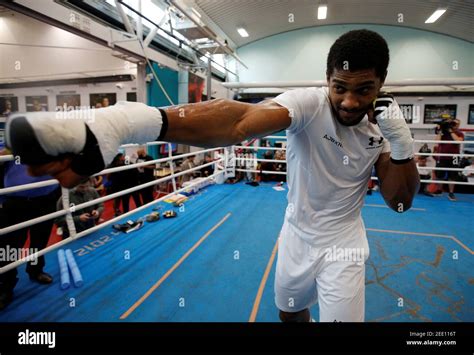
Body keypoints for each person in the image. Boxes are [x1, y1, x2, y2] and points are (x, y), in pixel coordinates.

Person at [5, 29, 419, 322]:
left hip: (344, 243)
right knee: (289, 312)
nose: (348, 101)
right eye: (338, 87)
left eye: (362, 90)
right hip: (296, 233)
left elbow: (399, 203)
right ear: (326, 80)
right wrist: (125, 124)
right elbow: (238, 120)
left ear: (381, 84)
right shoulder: (309, 104)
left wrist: (401, 146)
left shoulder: (386, 128)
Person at [0, 162, 60, 310]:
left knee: (40, 239)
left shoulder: (50, 141)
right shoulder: (11, 141)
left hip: (46, 200)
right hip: (15, 201)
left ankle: (35, 270)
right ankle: (6, 286)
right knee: (9, 245)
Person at [433, 119, 464, 201]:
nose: (455, 125)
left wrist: (451, 131)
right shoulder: (443, 133)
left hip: (454, 157)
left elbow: (458, 141)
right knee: (440, 174)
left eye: (456, 124)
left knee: (453, 175)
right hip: (442, 156)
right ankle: (439, 190)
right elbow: (437, 142)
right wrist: (440, 130)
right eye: (453, 124)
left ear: (459, 125)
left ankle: (451, 193)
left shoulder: (459, 133)